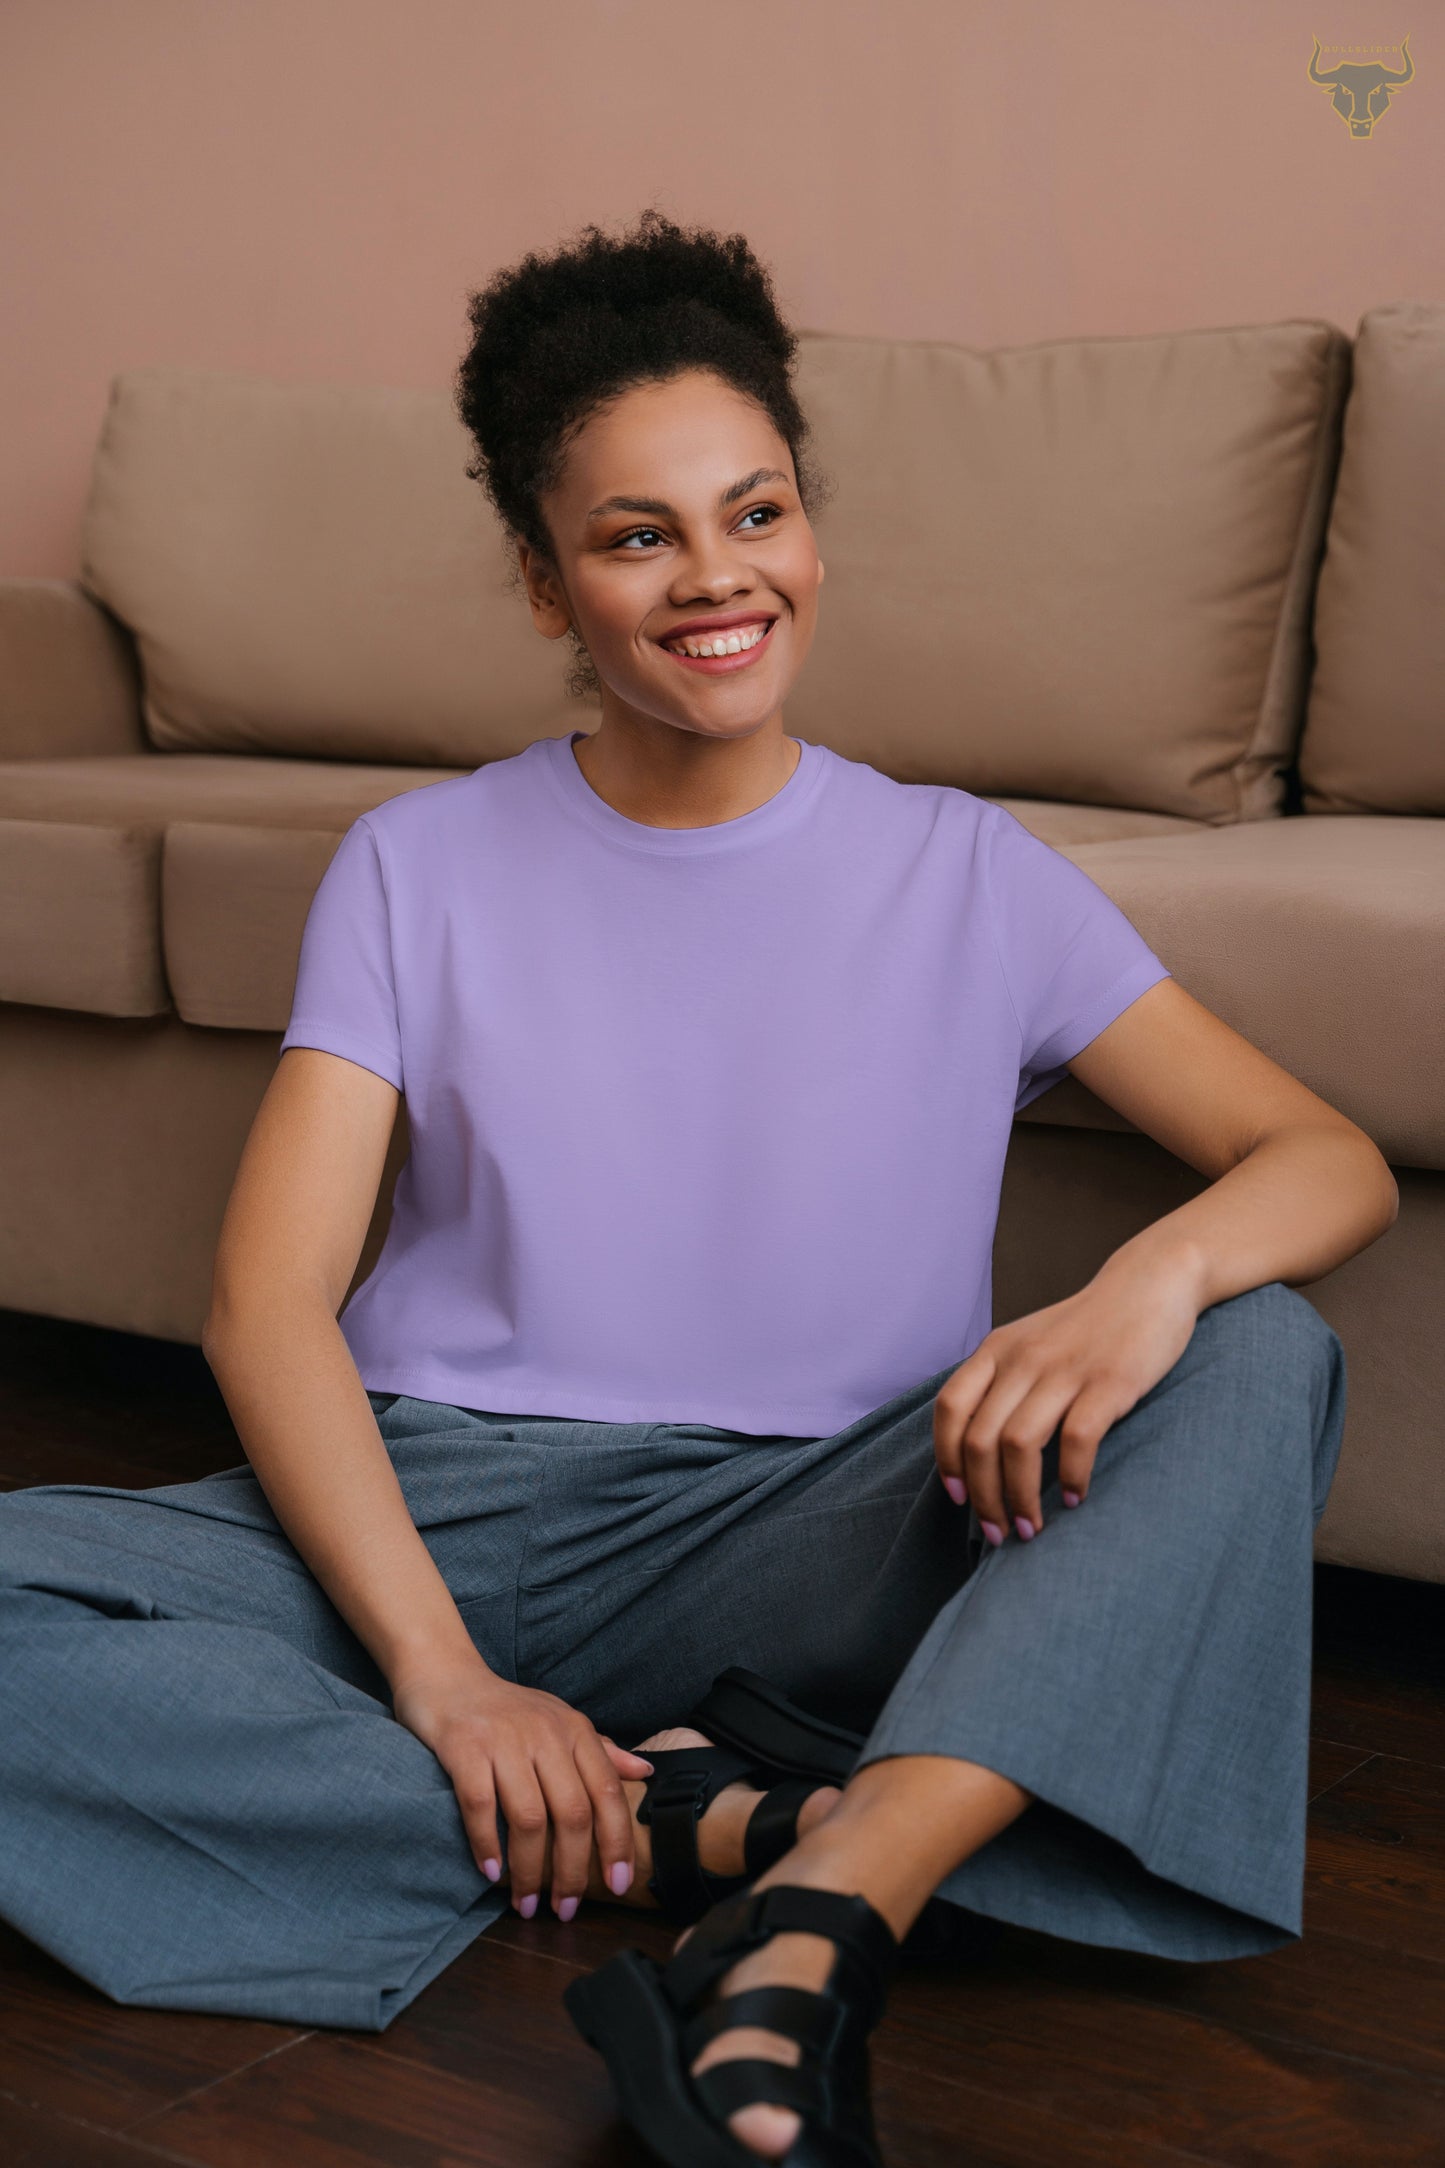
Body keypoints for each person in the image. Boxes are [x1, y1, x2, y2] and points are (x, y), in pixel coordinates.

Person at [0, 209, 1396, 2167]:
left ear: (809, 524)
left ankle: (824, 1913)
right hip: (447, 1498)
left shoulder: (966, 870)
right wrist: (449, 1677)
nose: (714, 576)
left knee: (1258, 1352)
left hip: (825, 1519)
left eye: (754, 512)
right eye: (638, 533)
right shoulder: (419, 864)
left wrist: (1143, 1284)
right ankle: (710, 1827)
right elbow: (268, 1301)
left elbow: (1321, 1155)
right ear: (546, 579)